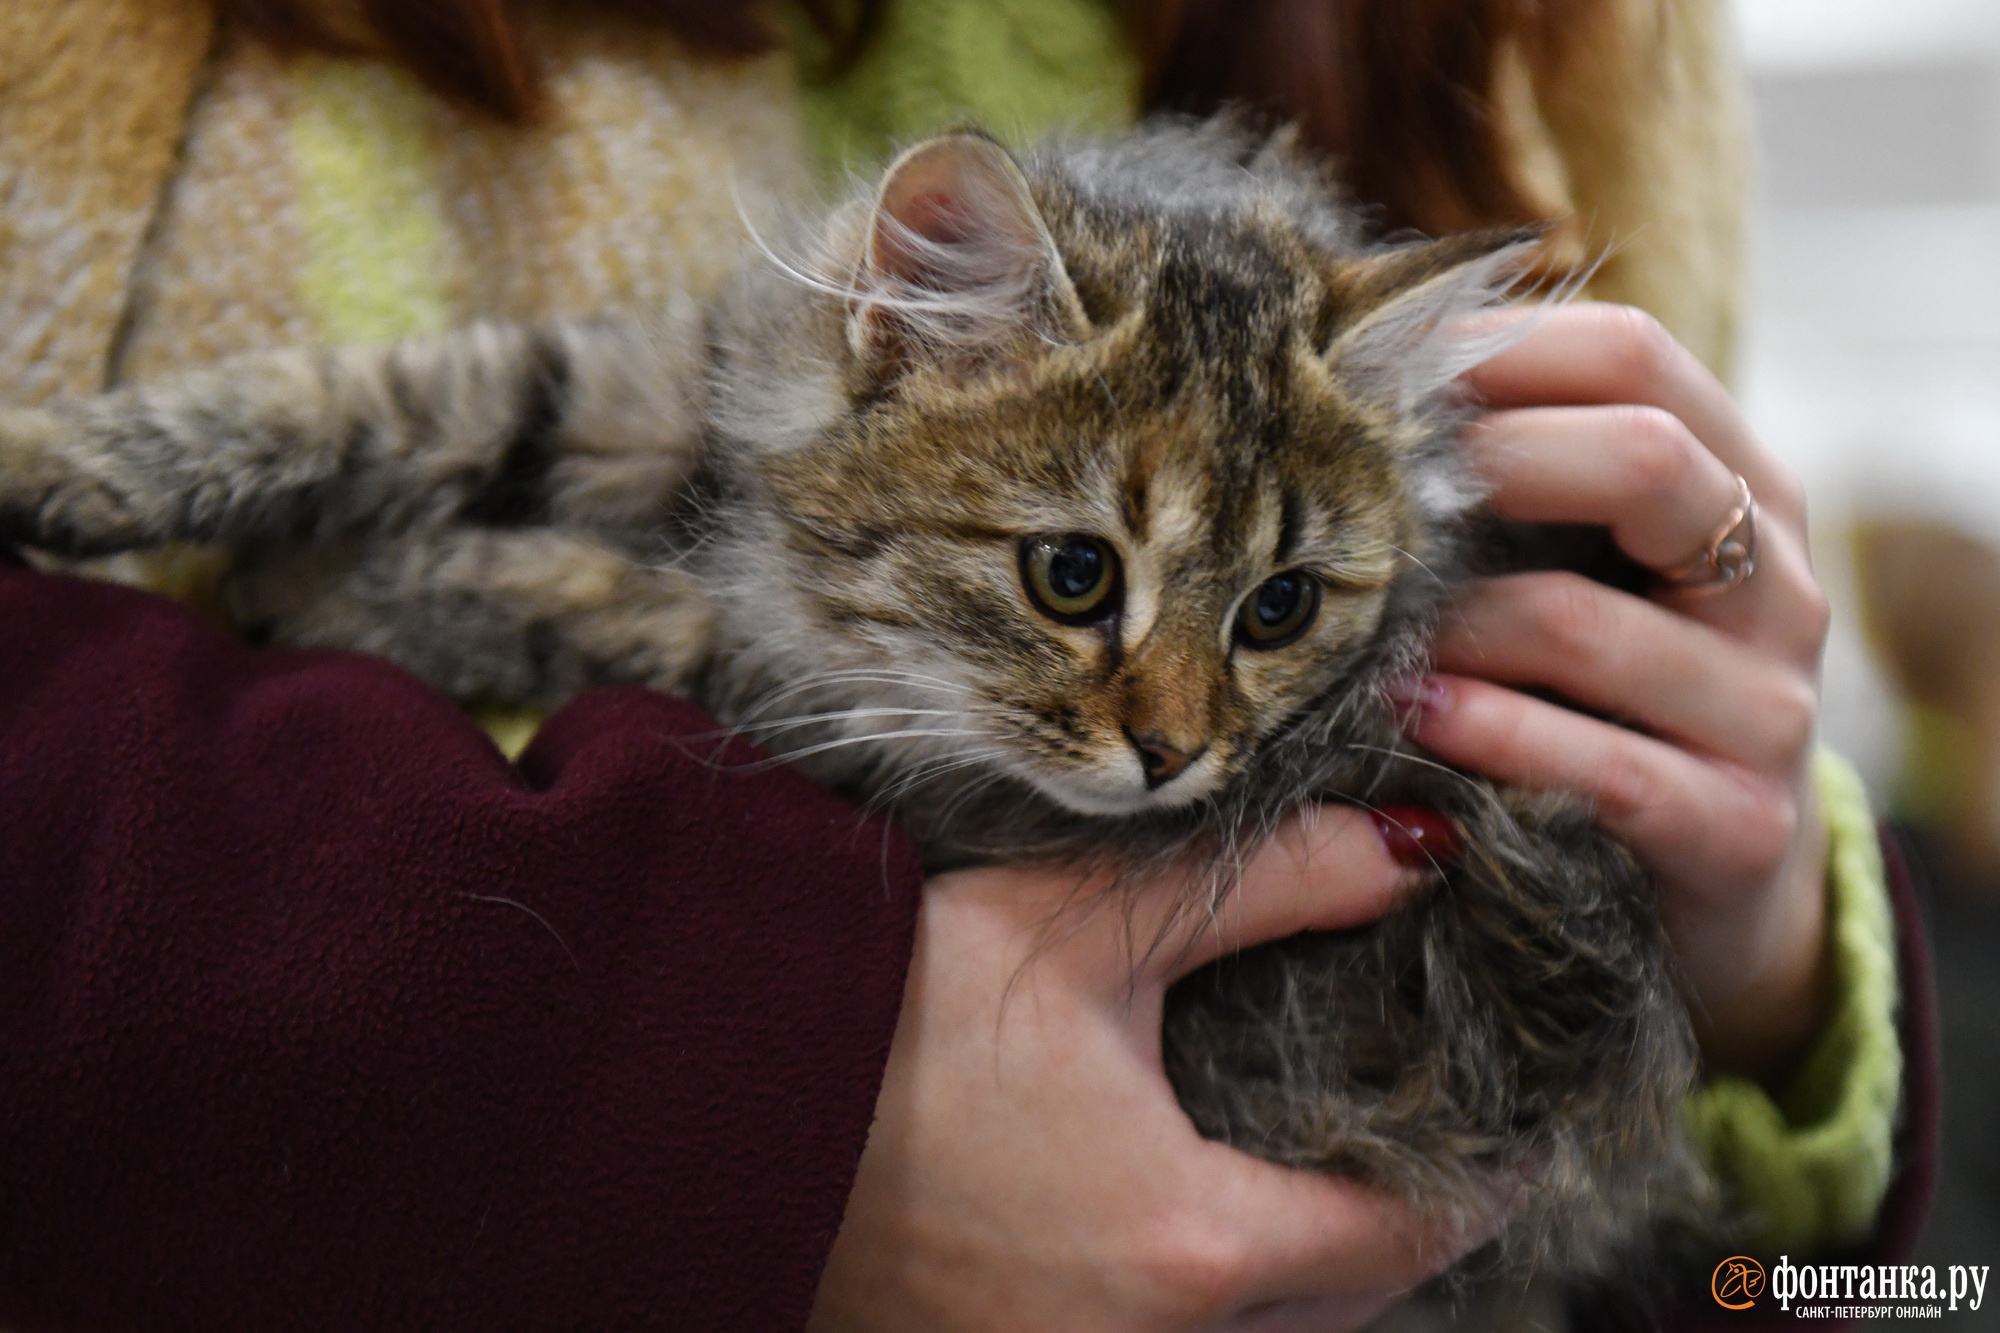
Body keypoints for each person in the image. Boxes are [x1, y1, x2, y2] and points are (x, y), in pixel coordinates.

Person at [0, 0, 1935, 1328]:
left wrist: (1773, 969)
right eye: (1083, 581)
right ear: (904, 330)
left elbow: (1773, 1284)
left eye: (1267, 618)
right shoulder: (895, 339)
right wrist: (757, 1091)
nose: (1174, 736)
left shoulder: (1588, 42)